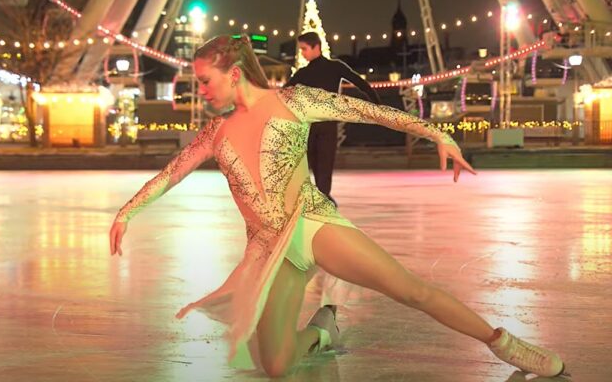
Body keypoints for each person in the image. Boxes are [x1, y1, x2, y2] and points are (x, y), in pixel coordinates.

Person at [108, 34, 565, 378]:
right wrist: (125, 213)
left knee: (409, 290)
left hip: (312, 226)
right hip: (271, 251)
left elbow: (373, 113)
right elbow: (171, 172)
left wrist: (437, 134)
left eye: (204, 81)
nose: (200, 90)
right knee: (275, 364)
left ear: (233, 73)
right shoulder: (215, 133)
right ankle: (325, 329)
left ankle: (503, 343)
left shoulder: (294, 101)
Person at [286, 31, 381, 205]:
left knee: (324, 163)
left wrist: (375, 102)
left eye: (304, 49)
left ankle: (323, 197)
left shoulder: (334, 67)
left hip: (325, 126)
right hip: (311, 125)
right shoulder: (303, 73)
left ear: (316, 47)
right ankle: (323, 197)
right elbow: (284, 93)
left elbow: (358, 82)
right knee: (317, 163)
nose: (302, 53)